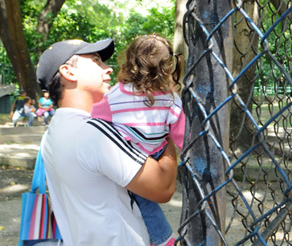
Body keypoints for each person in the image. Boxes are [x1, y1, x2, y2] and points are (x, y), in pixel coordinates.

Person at [36, 39, 178, 246]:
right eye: (96, 61)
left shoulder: (53, 132)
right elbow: (163, 188)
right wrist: (168, 132)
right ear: (69, 72)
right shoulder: (93, 132)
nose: (108, 69)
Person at [91, 34, 185, 246]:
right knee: (145, 201)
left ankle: (161, 239)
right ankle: (161, 240)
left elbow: (96, 118)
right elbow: (180, 130)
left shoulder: (116, 95)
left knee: (142, 201)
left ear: (131, 62)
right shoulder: (169, 97)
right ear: (167, 67)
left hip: (132, 155)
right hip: (159, 150)